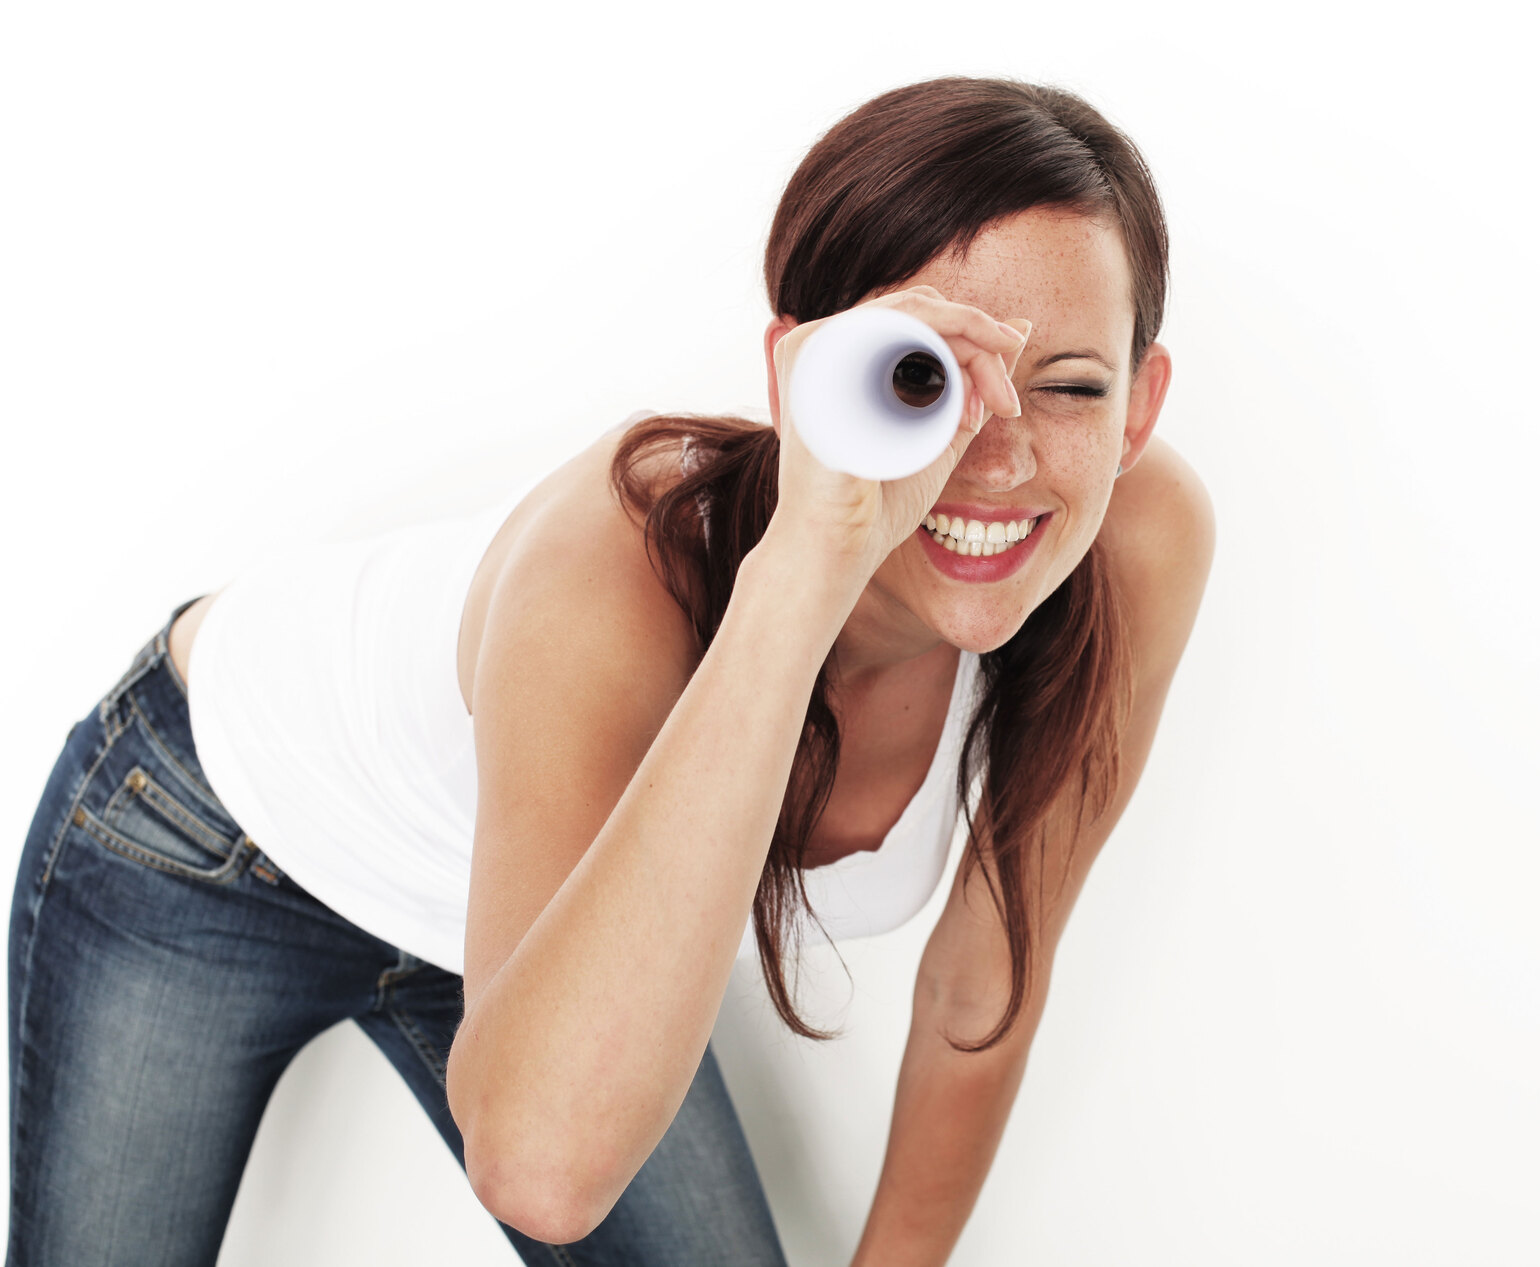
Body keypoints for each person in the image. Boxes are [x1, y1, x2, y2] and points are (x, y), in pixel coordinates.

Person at [7, 74, 1214, 1265]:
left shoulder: (1132, 542)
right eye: (925, 378)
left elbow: (979, 988)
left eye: (1070, 386)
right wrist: (811, 561)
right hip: (216, 835)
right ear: (802, 379)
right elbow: (538, 1167)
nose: (999, 460)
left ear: (1140, 403)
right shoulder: (620, 557)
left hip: (549, 917)